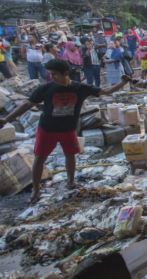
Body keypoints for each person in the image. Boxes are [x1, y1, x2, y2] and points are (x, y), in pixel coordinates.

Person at [0, 59, 130, 202]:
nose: (51, 77)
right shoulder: (46, 88)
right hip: (47, 129)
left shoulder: (80, 88)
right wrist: (7, 119)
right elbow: (27, 104)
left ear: (66, 73)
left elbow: (106, 91)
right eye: (50, 74)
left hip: (68, 129)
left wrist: (123, 83)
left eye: (54, 74)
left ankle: (71, 181)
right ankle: (36, 189)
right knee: (39, 158)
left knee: (70, 155)